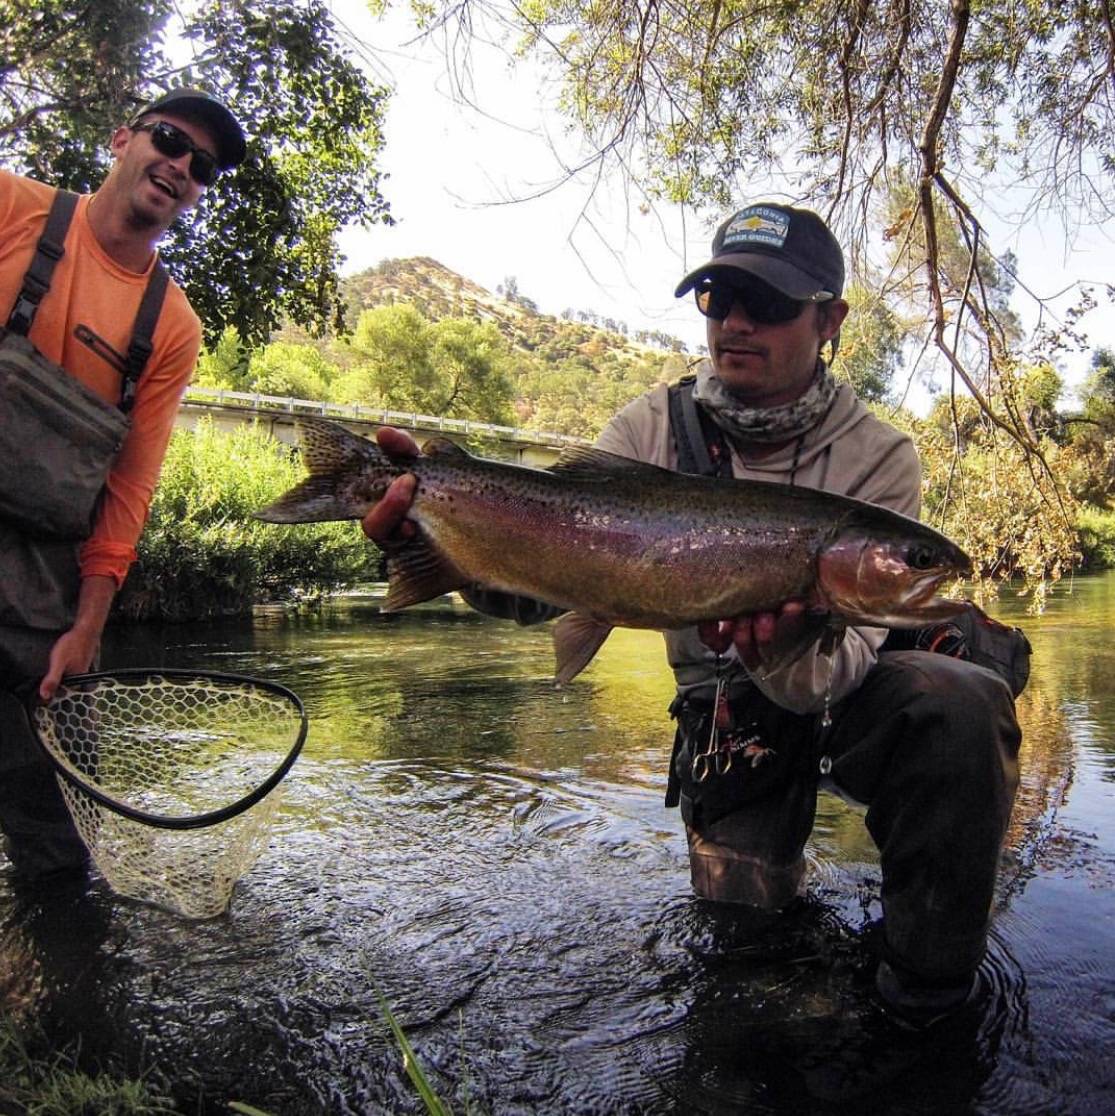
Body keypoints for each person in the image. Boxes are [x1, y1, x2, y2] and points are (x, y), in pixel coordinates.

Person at [361, 202, 1022, 1030]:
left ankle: (926, 1002)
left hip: (850, 695)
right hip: (724, 713)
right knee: (744, 955)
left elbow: (850, 656)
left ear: (829, 320)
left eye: (770, 304)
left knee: (959, 702)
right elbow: (538, 588)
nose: (736, 322)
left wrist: (785, 643)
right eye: (717, 298)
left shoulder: (879, 456)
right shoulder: (646, 428)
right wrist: (431, 544)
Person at [0, 88, 247, 881]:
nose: (179, 165)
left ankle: (58, 986)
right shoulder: (12, 208)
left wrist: (88, 627)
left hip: (48, 584)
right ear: (121, 140)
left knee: (55, 840)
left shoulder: (172, 326)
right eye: (169, 140)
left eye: (199, 164)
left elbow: (130, 486)